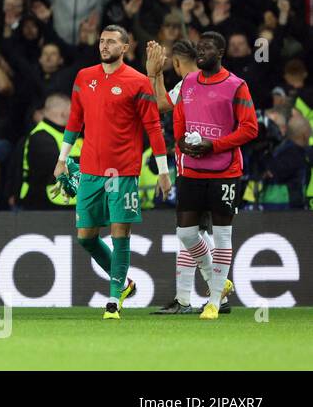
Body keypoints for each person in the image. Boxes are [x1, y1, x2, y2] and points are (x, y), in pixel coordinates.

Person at [55, 25, 170, 321]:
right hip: (91, 170)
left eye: (111, 42)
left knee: (120, 233)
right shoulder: (84, 77)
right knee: (86, 237)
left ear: (126, 47)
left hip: (123, 172)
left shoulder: (138, 82)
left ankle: (113, 299)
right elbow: (74, 120)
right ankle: (127, 283)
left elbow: (153, 127)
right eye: (102, 41)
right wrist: (62, 158)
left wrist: (163, 171)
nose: (104, 46)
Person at [166, 32, 258, 319]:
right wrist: (181, 141)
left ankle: (214, 302)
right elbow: (179, 112)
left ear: (221, 52)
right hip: (192, 169)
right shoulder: (189, 82)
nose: (200, 52)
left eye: (207, 48)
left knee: (222, 235)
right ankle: (218, 279)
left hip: (225, 171)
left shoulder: (236, 86)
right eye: (198, 47)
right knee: (186, 233)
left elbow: (250, 128)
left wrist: (214, 145)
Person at [145, 38, 221, 314]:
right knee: (196, 231)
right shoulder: (208, 81)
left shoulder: (189, 84)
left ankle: (215, 288)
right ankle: (205, 296)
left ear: (176, 62)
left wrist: (154, 73)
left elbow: (160, 105)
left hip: (196, 169)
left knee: (189, 232)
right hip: (211, 167)